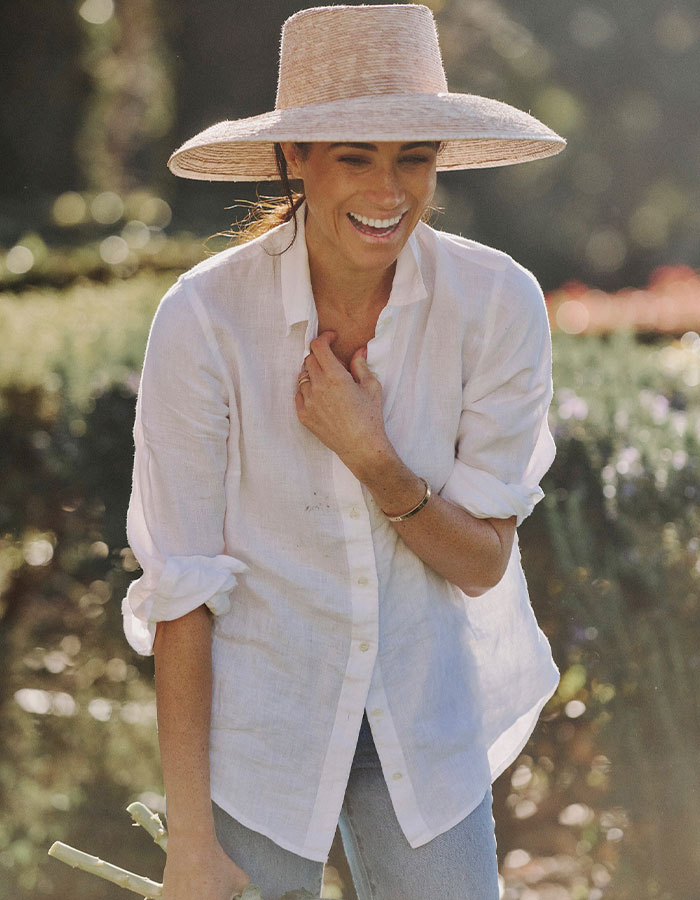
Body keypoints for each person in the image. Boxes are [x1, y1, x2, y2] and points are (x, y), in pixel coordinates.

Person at [121, 5, 566, 900]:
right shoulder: (206, 321)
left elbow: (482, 564)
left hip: (425, 733)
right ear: (296, 160)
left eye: (414, 157)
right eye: (355, 157)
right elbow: (183, 586)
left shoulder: (496, 304)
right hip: (261, 741)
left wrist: (375, 459)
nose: (388, 191)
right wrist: (192, 843)